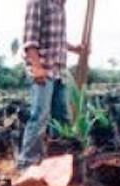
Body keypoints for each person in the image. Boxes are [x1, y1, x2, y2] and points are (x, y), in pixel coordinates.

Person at [16, 0, 85, 171]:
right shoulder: (38, 2)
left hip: (58, 71)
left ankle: (60, 160)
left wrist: (74, 48)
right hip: (43, 69)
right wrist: (37, 67)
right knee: (40, 116)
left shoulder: (60, 5)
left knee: (62, 118)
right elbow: (30, 40)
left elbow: (57, 39)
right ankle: (27, 163)